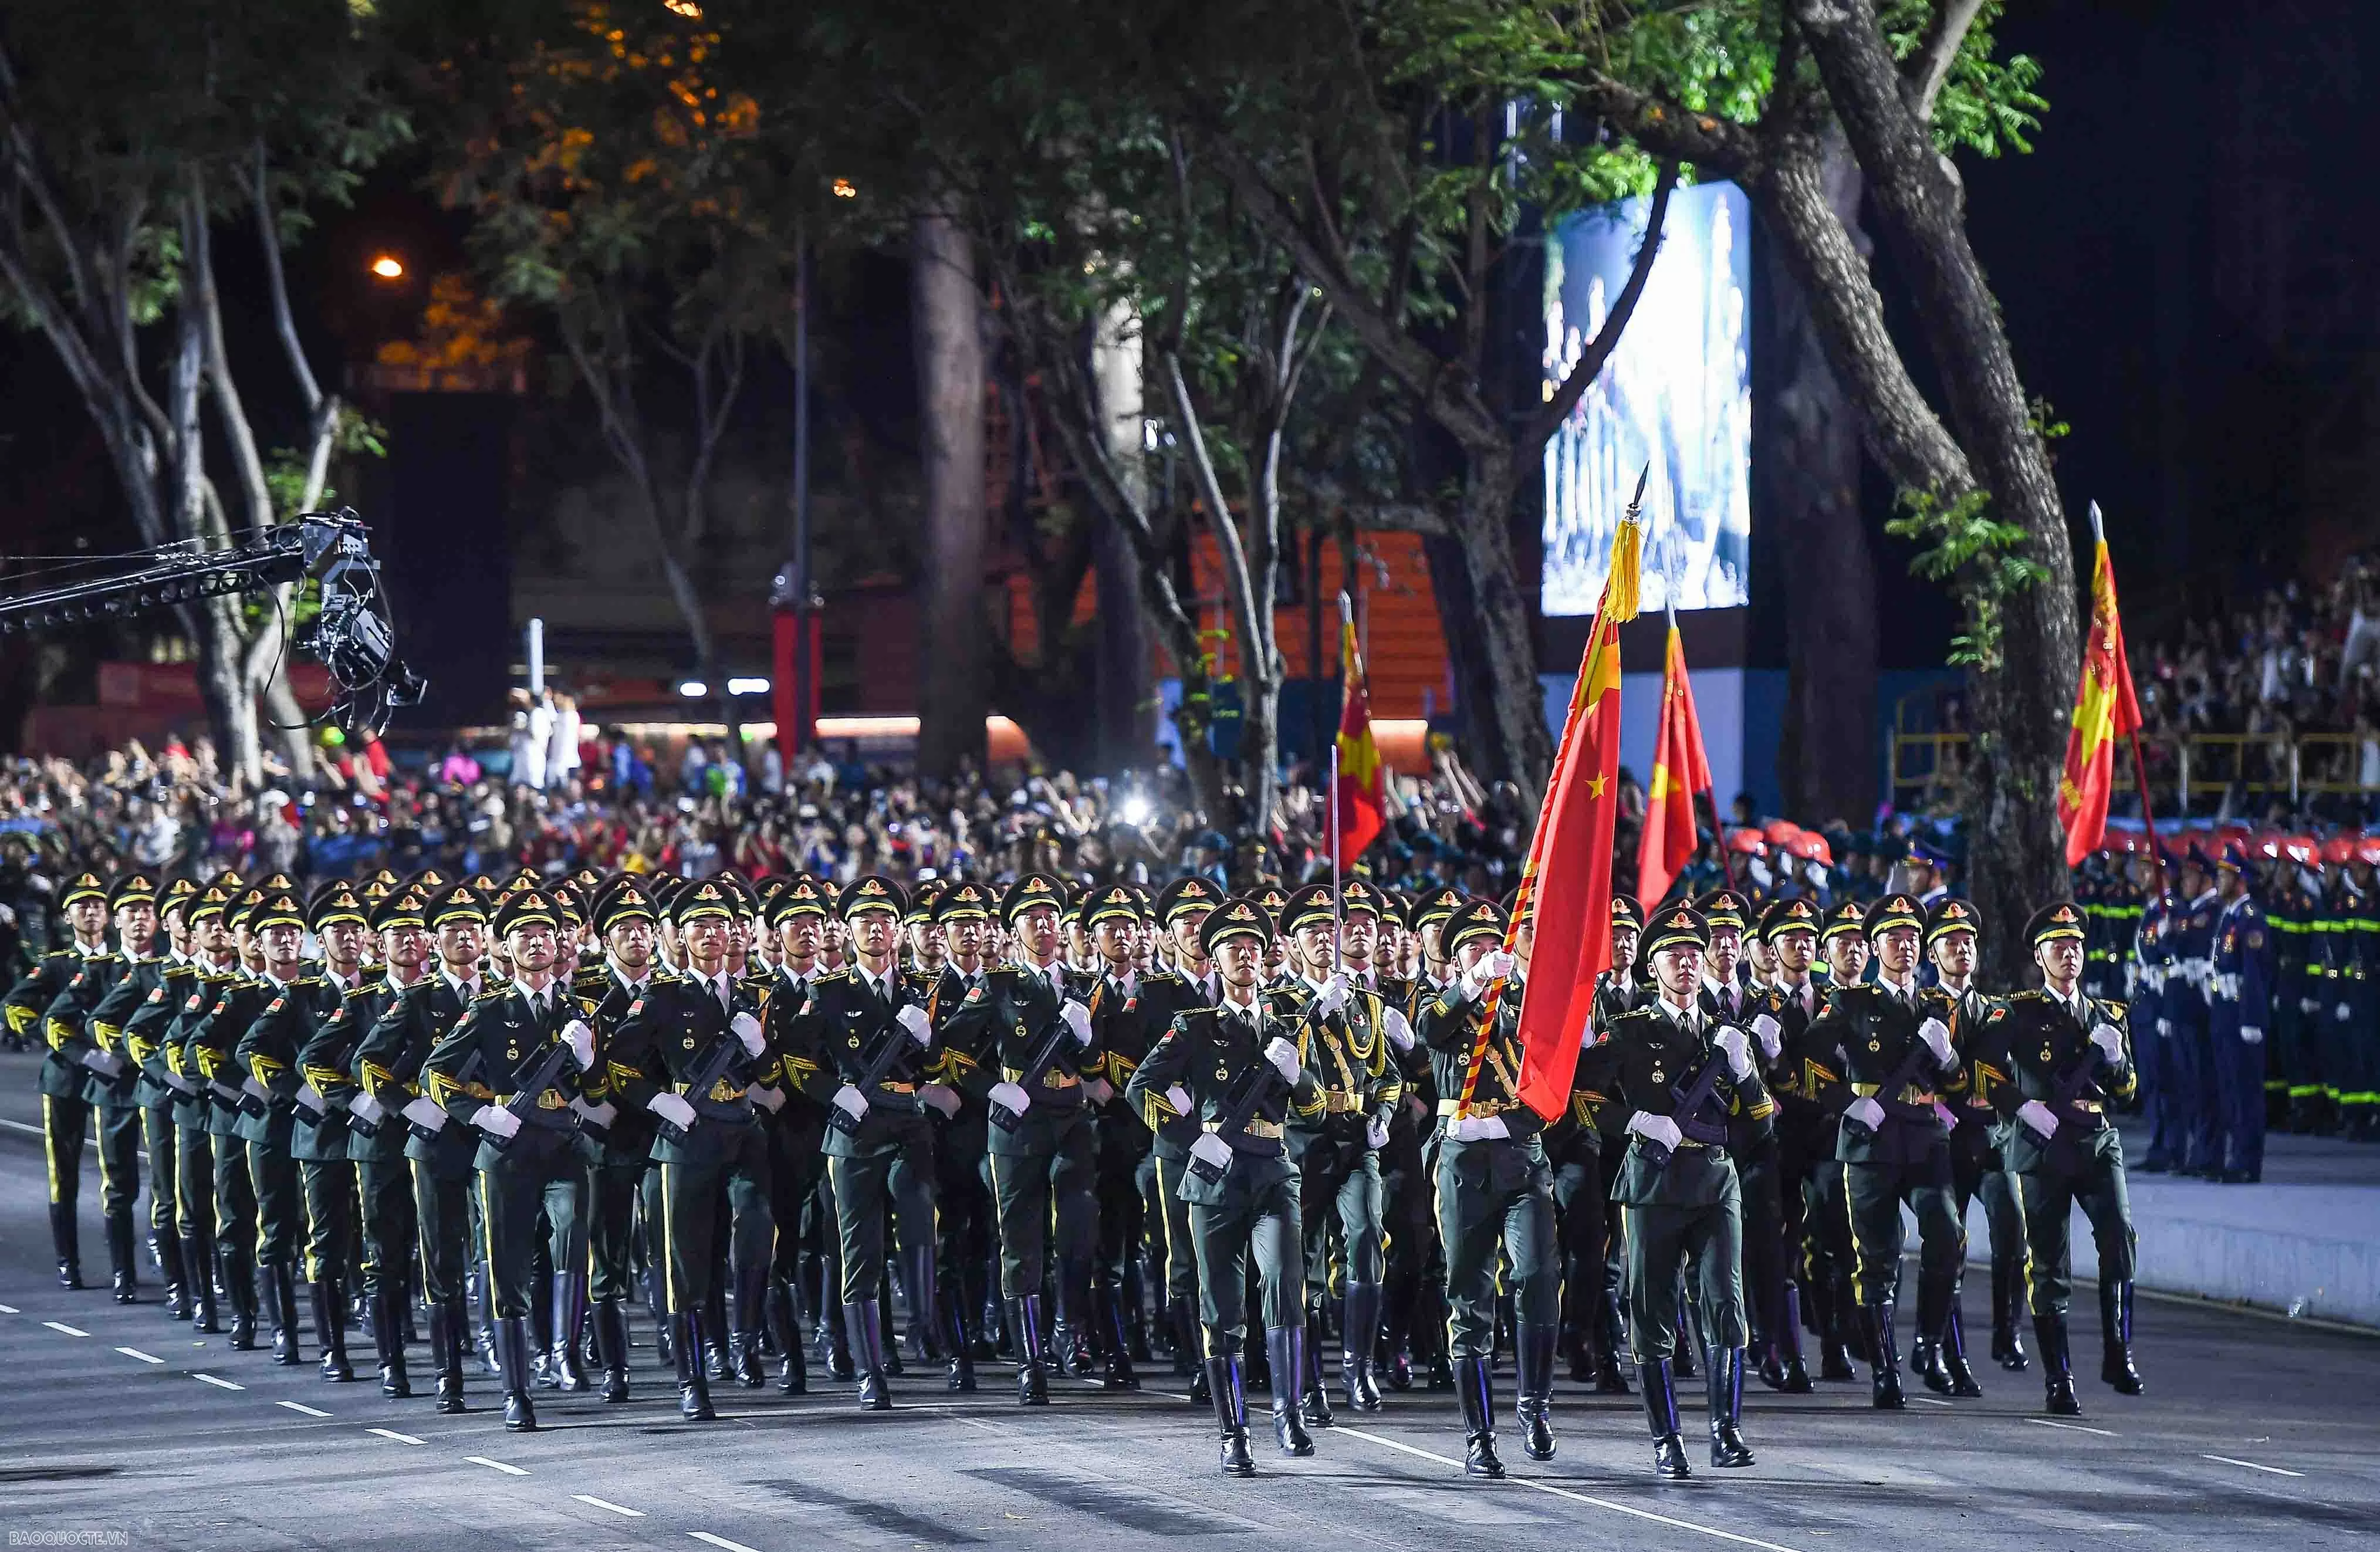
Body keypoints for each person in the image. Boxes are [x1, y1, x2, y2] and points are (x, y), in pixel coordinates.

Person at [1123, 895, 1318, 1475]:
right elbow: (1141, 1086)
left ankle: (1287, 1410)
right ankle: (1234, 1430)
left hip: (1273, 1168)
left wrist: (1297, 1072)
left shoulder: (1287, 1026)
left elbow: (1313, 1105)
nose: (1245, 954)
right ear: (1213, 959)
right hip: (1217, 1174)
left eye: (1254, 947)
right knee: (1222, 1308)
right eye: (1233, 946)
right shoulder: (1196, 1026)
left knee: (1285, 1281)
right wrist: (1188, 1136)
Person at [1580, 904, 1770, 1479]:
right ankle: (1667, 1438)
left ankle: (1725, 1429)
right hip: (1653, 1184)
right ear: (1653, 964)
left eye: (1694, 952)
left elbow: (1758, 1123)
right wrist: (1635, 1120)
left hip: (1714, 1178)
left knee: (1725, 1302)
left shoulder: (1723, 1032)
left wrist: (1746, 1072)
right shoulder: (1632, 1029)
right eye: (1673, 954)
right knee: (1652, 1310)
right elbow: (1583, 1098)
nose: (1686, 962)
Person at [422, 886, 604, 1431]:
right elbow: (437, 1074)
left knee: (574, 1231)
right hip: (506, 1148)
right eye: (525, 934)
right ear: (505, 947)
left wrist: (589, 1056)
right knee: (507, 1264)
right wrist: (479, 1115)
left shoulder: (577, 1011)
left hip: (563, 1142)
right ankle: (516, 1390)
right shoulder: (488, 1010)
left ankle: (563, 1351)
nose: (537, 942)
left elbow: (594, 1092)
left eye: (545, 933)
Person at [610, 877, 779, 1421]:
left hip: (743, 1127)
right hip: (687, 1133)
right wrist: (659, 1100)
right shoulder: (660, 997)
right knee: (685, 1257)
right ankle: (692, 1377)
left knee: (756, 1227)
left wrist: (759, 1048)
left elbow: (773, 1075)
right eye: (699, 926)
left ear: (734, 934)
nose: (710, 933)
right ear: (681, 937)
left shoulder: (752, 995)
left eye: (719, 925)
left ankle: (746, 1337)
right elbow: (619, 1067)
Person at [783, 875, 946, 1410]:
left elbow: (937, 1064)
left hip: (907, 1121)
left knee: (920, 1202)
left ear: (899, 930)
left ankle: (924, 1322)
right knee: (861, 1253)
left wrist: (928, 1040)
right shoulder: (828, 992)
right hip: (854, 1131)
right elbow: (796, 1061)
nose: (876, 929)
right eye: (865, 921)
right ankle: (870, 1371)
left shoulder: (918, 991)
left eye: (885, 920)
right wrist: (836, 1093)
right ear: (848, 931)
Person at [939, 873, 1103, 1403]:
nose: (1045, 924)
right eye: (1033, 917)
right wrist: (992, 1089)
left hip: (1071, 1115)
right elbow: (953, 1049)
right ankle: (1029, 1359)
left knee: (1078, 1225)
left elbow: (1098, 1064)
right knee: (1021, 1239)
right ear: (1015, 928)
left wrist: (1086, 1042)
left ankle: (1068, 1327)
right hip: (1019, 1118)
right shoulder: (1000, 983)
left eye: (1052, 915)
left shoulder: (1082, 985)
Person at [1976, 901, 2142, 1417]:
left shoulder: (2105, 1014)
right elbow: (1984, 1072)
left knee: (2118, 1234)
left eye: (2075, 946)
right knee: (2048, 1261)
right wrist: (2023, 1106)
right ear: (2039, 956)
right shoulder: (2016, 1011)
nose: (2069, 954)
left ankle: (2118, 1351)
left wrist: (2115, 1058)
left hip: (2094, 1138)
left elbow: (2129, 1089)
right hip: (2042, 1143)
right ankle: (2059, 1376)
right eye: (2058, 946)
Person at [1802, 892, 1965, 1409]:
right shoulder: (1852, 1003)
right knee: (1876, 1259)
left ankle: (1929, 1345)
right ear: (1875, 947)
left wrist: (1949, 1055)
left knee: (1948, 1233)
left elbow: (1959, 1080)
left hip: (1923, 1134)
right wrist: (1848, 1103)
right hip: (1870, 1140)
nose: (1906, 946)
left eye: (1913, 937)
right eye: (1894, 937)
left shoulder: (1936, 1007)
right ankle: (1886, 1369)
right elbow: (1807, 1062)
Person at [1414, 898, 1559, 1477]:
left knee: (1538, 1275)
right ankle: (1479, 1434)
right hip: (1462, 1163)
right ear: (1455, 961)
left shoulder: (1527, 1006)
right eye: (1471, 947)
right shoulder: (1448, 1008)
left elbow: (1551, 1081)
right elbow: (1430, 1028)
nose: (1484, 952)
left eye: (1489, 944)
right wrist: (1474, 982)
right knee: (1469, 1293)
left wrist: (1504, 1122)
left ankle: (1534, 1404)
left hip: (1521, 1157)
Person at [356, 880, 493, 1412]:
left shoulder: (501, 995)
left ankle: (495, 1352)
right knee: (432, 1257)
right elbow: (366, 1063)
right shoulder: (417, 1000)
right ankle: (443, 1373)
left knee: (491, 1252)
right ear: (437, 942)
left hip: (489, 1138)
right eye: (452, 930)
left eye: (472, 929)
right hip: (431, 1141)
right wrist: (407, 1104)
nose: (464, 938)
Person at [5, 868, 113, 1289]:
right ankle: (68, 1257)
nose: (90, 911)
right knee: (63, 1171)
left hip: (112, 1076)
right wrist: (53, 1039)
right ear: (67, 917)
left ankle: (125, 1259)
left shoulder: (124, 962)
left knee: (117, 1171)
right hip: (66, 1075)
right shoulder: (56, 964)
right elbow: (15, 1008)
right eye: (81, 906)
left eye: (97, 905)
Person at [2207, 843, 2273, 1181]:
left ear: (2239, 879)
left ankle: (2249, 1161)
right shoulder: (2229, 917)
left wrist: (2251, 1019)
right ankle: (2236, 1157)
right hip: (2224, 1014)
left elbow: (2255, 975)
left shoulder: (2251, 919)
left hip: (2241, 1016)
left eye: (2224, 875)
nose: (2218, 881)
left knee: (2247, 1091)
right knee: (2231, 1088)